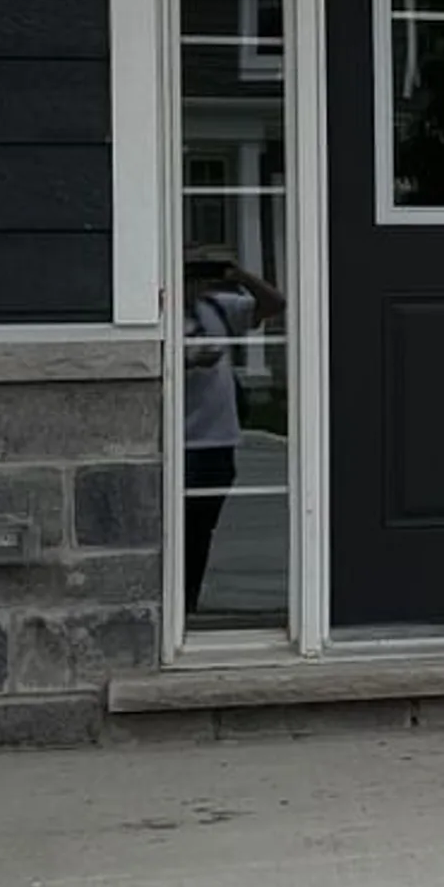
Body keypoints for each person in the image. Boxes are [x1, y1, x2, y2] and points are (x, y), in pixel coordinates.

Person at [180, 250, 281, 616]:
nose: (194, 283)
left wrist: (238, 275)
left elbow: (274, 304)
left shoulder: (218, 307)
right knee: (173, 531)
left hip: (218, 441)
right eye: (188, 274)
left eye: (199, 275)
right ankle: (172, 603)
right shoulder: (158, 313)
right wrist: (188, 360)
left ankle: (187, 603)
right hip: (178, 443)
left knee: (199, 532)